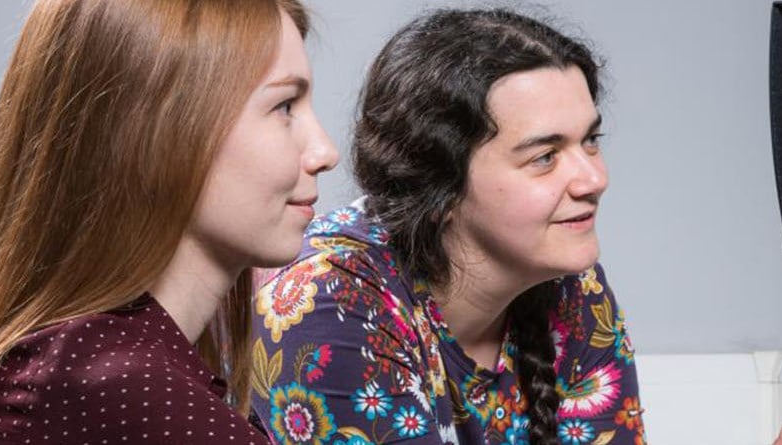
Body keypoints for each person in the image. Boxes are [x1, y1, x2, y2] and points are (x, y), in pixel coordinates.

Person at [0, 0, 337, 443]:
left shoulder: (78, 367)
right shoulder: (116, 393)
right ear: (155, 135)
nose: (324, 152)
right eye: (284, 106)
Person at [249, 8, 643, 445]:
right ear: (440, 186)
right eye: (544, 157)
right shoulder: (328, 305)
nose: (595, 179)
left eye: (590, 141)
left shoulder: (572, 285)